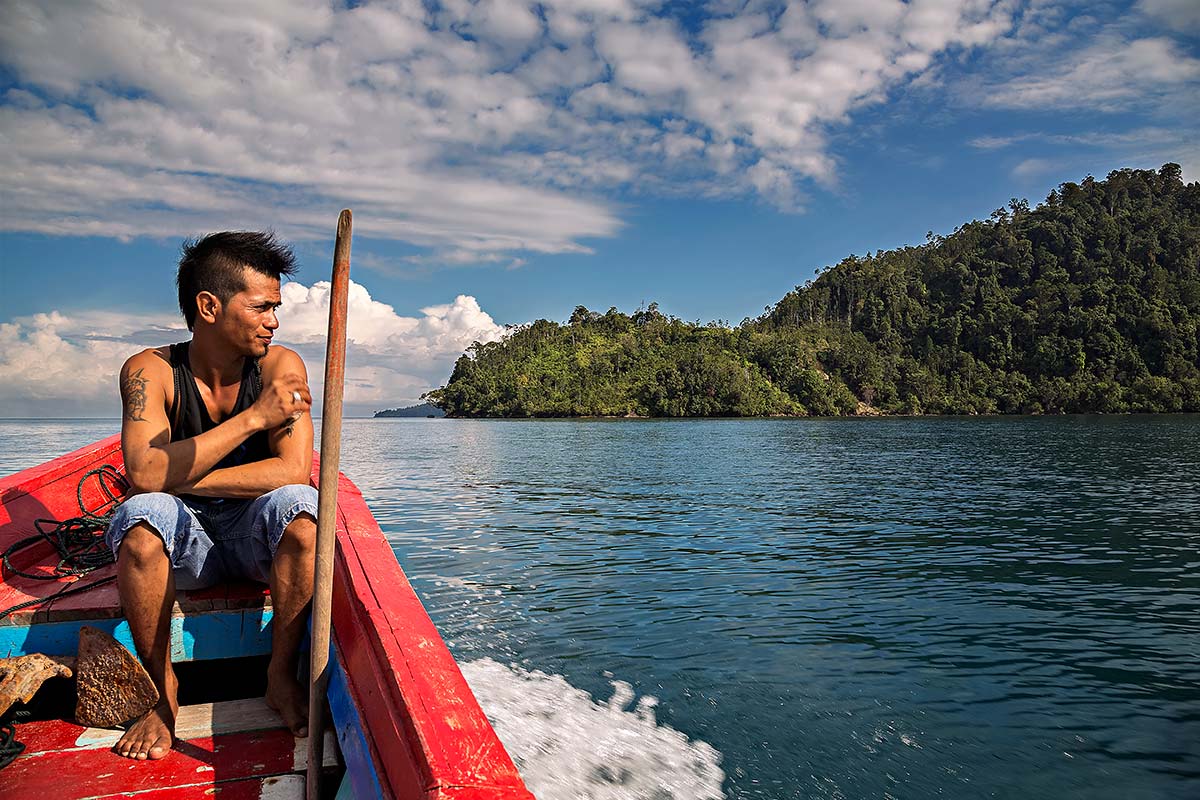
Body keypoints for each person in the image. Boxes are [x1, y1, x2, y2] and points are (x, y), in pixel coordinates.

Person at [105, 231, 318, 761]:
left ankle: (280, 673)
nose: (274, 320)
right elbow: (143, 477)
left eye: (277, 308)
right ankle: (162, 691)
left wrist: (168, 475)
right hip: (186, 540)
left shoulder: (280, 366)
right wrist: (253, 420)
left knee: (305, 513)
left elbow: (292, 470)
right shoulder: (149, 370)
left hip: (254, 536)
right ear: (209, 306)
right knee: (141, 518)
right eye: (262, 307)